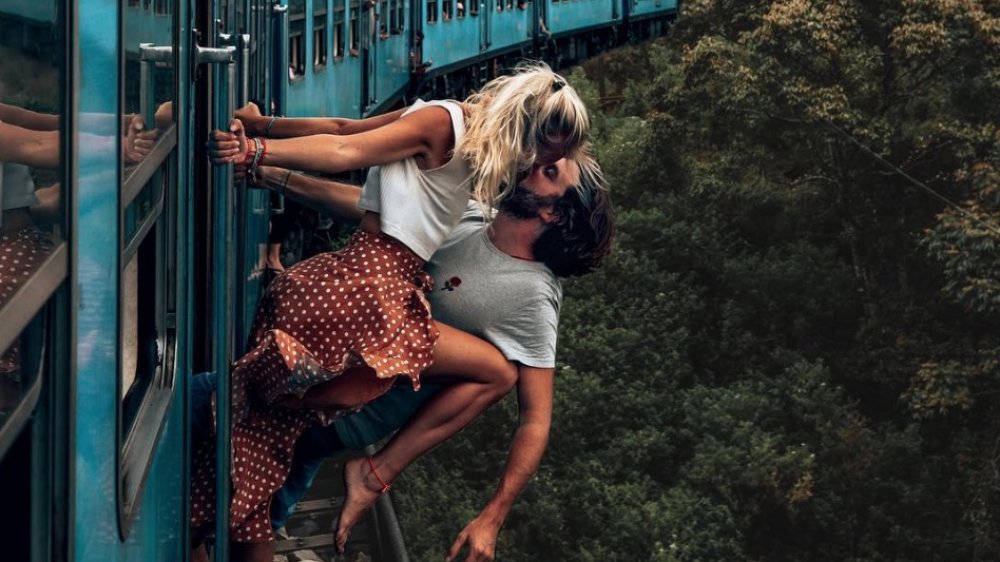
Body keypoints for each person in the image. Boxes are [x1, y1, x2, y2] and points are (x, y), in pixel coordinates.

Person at [197, 63, 590, 561]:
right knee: (252, 430)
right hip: (369, 296)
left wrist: (259, 146)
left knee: (249, 427)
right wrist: (259, 145)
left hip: (359, 291)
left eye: (547, 165)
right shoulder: (450, 135)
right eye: (543, 155)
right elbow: (345, 142)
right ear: (525, 123)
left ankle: (218, 514)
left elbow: (349, 144)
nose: (532, 165)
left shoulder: (456, 138)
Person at [248, 148, 611, 561]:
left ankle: (371, 475)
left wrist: (492, 518)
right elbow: (367, 209)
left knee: (242, 513)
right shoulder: (473, 216)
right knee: (246, 516)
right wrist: (274, 176)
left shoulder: (533, 296)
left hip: (340, 415)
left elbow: (535, 421)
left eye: (548, 172)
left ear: (555, 215)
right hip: (313, 371)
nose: (529, 164)